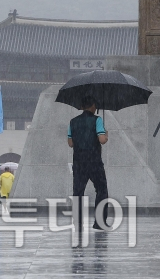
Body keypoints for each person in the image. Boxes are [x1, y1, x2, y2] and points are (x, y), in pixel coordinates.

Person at [67, 96, 109, 231]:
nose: (96, 108)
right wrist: (106, 135)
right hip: (94, 161)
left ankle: (78, 222)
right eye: (95, 105)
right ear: (92, 106)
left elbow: (70, 143)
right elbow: (102, 140)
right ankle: (100, 222)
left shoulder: (73, 122)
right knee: (101, 190)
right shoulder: (97, 120)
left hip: (79, 162)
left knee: (78, 192)